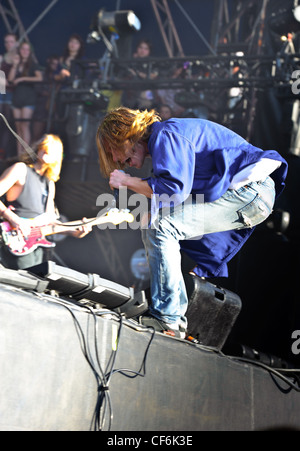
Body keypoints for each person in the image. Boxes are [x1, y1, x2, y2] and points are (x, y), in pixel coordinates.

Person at [96, 107, 288, 338]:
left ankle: (167, 317)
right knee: (155, 224)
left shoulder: (166, 134)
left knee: (161, 227)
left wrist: (127, 181)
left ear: (126, 134)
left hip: (251, 191)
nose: (117, 160)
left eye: (113, 151)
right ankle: (174, 318)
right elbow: (167, 194)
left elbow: (173, 191)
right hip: (252, 195)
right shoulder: (166, 140)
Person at [0, 134, 91, 270]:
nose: (46, 150)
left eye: (51, 149)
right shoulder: (20, 169)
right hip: (13, 237)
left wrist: (75, 232)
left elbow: (51, 223)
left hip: (35, 246)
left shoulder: (50, 183)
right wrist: (14, 219)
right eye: (44, 146)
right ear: (38, 148)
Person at [8, 41, 43, 158]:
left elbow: (39, 78)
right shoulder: (17, 64)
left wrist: (23, 78)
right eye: (23, 49)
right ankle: (19, 154)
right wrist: (14, 65)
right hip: (17, 97)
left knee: (25, 125)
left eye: (27, 49)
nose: (25, 52)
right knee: (18, 127)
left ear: (30, 51)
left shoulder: (33, 64)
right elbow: (10, 79)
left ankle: (25, 153)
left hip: (28, 97)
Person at [0, 33, 19, 158]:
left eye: (11, 42)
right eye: (6, 42)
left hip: (14, 94)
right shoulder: (2, 58)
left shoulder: (20, 57)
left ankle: (4, 152)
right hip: (2, 93)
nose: (8, 44)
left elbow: (12, 81)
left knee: (8, 124)